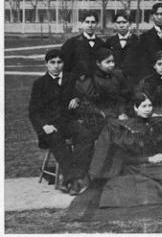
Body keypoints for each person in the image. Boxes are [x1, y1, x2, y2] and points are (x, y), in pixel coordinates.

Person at [89, 93, 162, 207]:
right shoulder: (126, 128)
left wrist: (161, 155)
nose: (148, 109)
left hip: (155, 163)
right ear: (135, 108)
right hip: (137, 166)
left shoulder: (157, 123)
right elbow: (124, 157)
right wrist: (149, 159)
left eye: (150, 105)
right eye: (144, 106)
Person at [29, 49, 94, 195]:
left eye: (59, 62)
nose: (56, 66)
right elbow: (33, 111)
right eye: (52, 63)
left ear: (63, 63)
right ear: (46, 64)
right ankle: (72, 181)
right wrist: (44, 126)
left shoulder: (71, 79)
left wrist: (77, 99)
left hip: (69, 122)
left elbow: (83, 95)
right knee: (57, 141)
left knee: (86, 135)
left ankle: (75, 176)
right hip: (50, 125)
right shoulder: (39, 84)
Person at [76, 48, 131, 139]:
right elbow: (91, 103)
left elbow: (123, 97)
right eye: (108, 62)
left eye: (113, 61)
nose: (112, 65)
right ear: (98, 63)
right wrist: (110, 117)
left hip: (119, 113)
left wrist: (122, 112)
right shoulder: (90, 80)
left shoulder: (117, 75)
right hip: (100, 117)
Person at [61, 11, 105, 79]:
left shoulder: (102, 44)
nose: (90, 25)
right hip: (78, 84)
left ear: (97, 24)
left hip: (97, 84)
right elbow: (65, 66)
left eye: (93, 22)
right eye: (87, 22)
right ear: (82, 23)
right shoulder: (71, 43)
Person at [104, 11, 139, 83]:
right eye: (118, 23)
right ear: (115, 24)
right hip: (114, 80)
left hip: (133, 81)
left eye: (124, 22)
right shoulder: (109, 42)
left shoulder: (138, 41)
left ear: (129, 23)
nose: (121, 25)